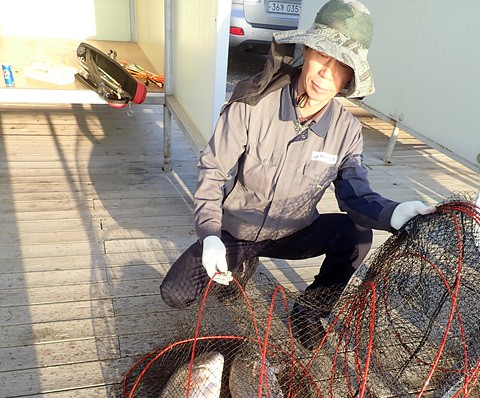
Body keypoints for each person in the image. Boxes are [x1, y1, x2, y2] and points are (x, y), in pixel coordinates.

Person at [160, 0, 436, 349]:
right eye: (322, 56)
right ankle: (242, 264)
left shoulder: (347, 130)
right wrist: (210, 235)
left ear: (350, 78)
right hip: (236, 230)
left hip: (294, 232)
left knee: (356, 236)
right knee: (175, 293)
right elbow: (213, 172)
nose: (325, 74)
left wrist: (393, 212)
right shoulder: (251, 103)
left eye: (341, 66)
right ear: (307, 51)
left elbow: (355, 195)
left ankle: (310, 309)